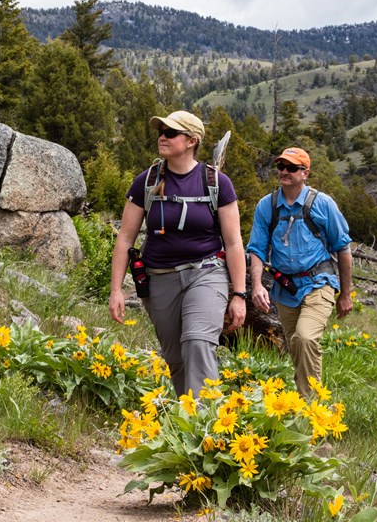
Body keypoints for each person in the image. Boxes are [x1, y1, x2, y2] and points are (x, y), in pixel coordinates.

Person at [109, 110, 247, 396]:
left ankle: (207, 426)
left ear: (191, 141)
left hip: (206, 273)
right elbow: (125, 239)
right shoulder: (146, 182)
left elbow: (234, 243)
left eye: (171, 133)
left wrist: (239, 295)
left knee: (197, 342)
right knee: (176, 358)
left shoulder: (217, 183)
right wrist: (116, 290)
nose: (162, 136)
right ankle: (188, 424)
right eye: (161, 131)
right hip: (159, 279)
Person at [246, 146, 353, 396]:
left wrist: (345, 294)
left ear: (305, 173)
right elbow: (257, 250)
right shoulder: (267, 206)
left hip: (319, 282)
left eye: (292, 168)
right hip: (285, 289)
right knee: (296, 348)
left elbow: (343, 249)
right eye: (281, 166)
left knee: (305, 338)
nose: (284, 171)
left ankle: (312, 413)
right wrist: (258, 285)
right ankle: (303, 408)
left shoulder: (322, 204)